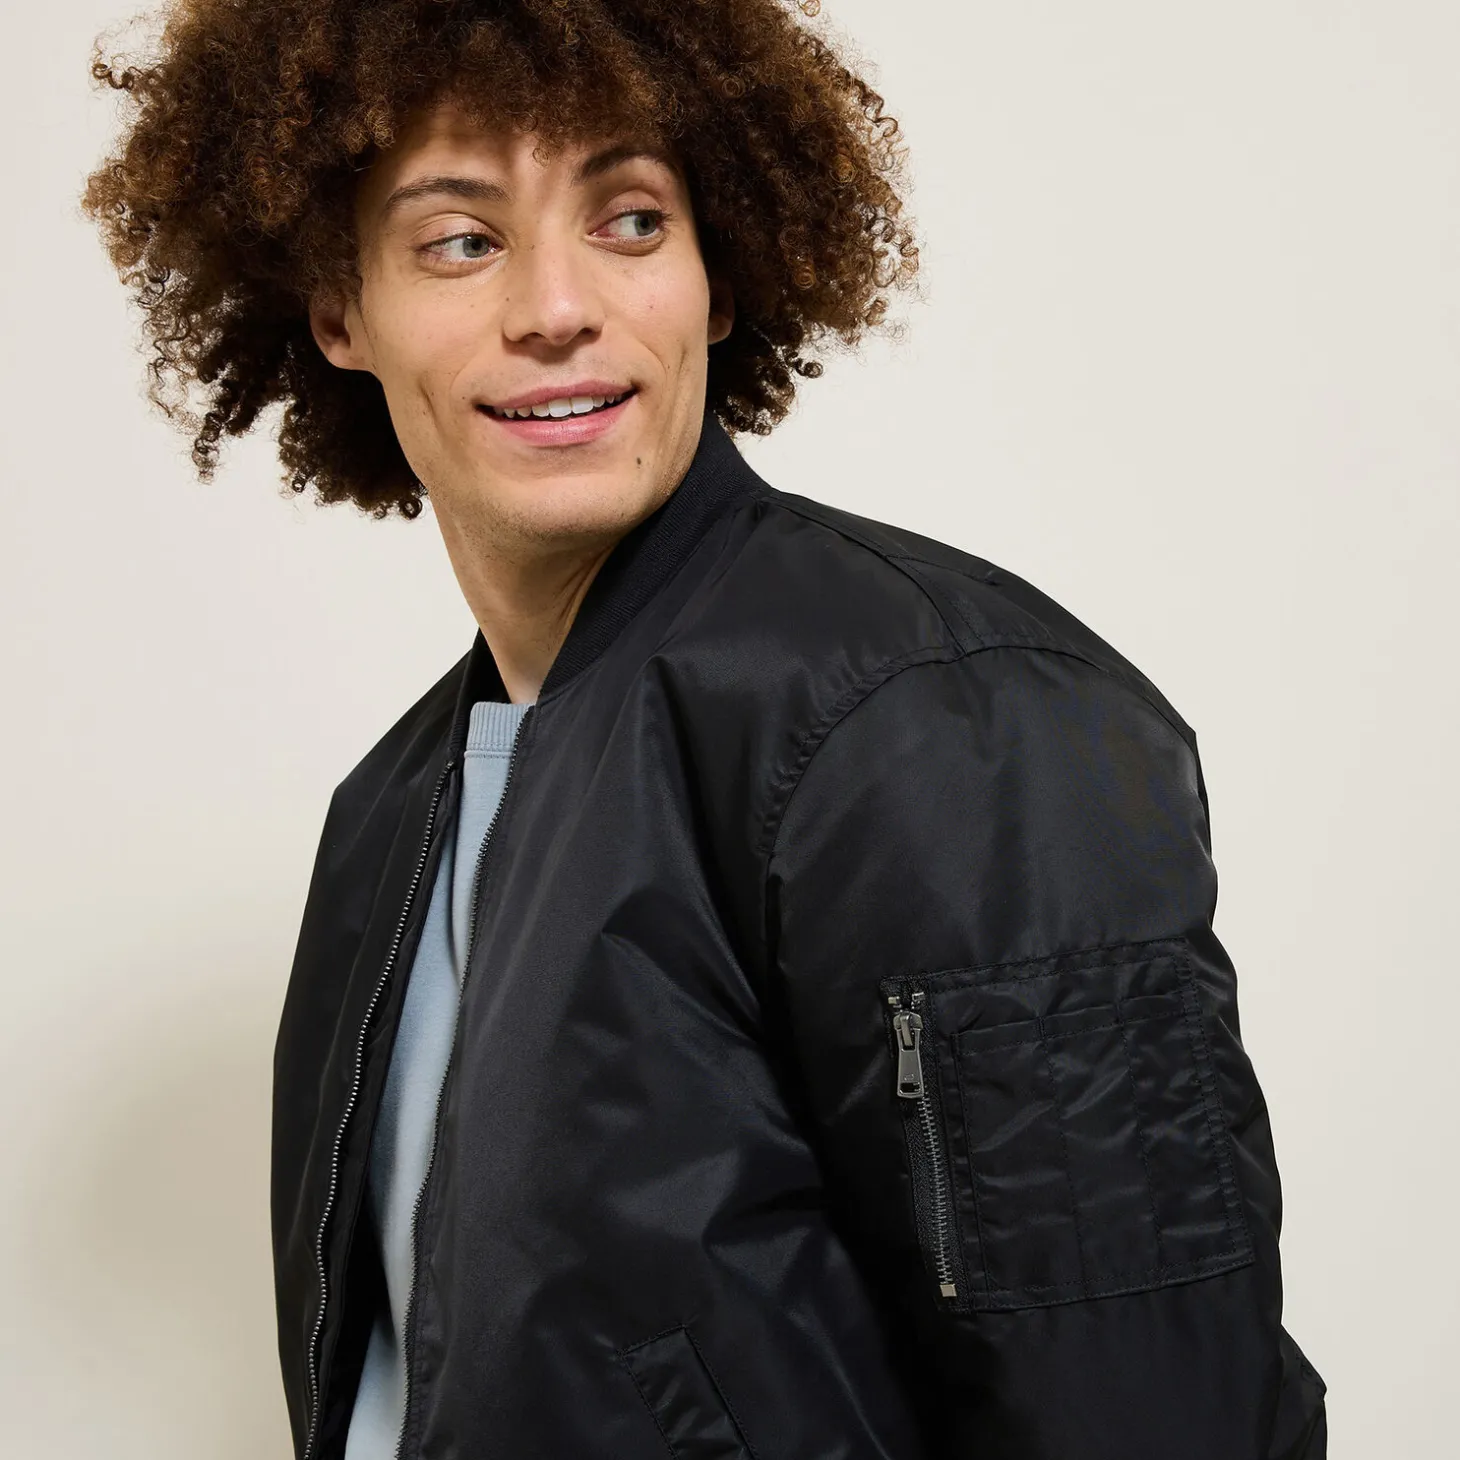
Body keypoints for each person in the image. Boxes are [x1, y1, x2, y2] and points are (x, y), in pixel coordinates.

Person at [82, 2, 1327, 1456]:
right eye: (460, 241)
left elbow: (1153, 1411)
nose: (555, 306)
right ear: (340, 311)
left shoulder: (933, 721)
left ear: (716, 279)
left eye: (629, 220)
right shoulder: (393, 808)